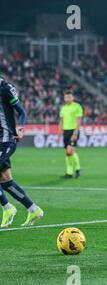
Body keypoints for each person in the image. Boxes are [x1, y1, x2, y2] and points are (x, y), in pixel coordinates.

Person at [0, 77, 44, 228]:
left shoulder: (4, 87)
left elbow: (21, 111)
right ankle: (33, 209)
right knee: (5, 181)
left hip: (6, 139)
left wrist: (21, 126)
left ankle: (7, 208)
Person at [59, 90, 83, 178]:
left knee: (70, 151)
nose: (67, 99)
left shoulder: (77, 107)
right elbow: (61, 122)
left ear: (73, 97)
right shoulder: (63, 108)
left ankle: (76, 169)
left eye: (69, 97)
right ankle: (71, 171)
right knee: (67, 153)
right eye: (66, 97)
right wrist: (58, 135)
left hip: (73, 131)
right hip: (66, 131)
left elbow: (79, 121)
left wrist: (75, 133)